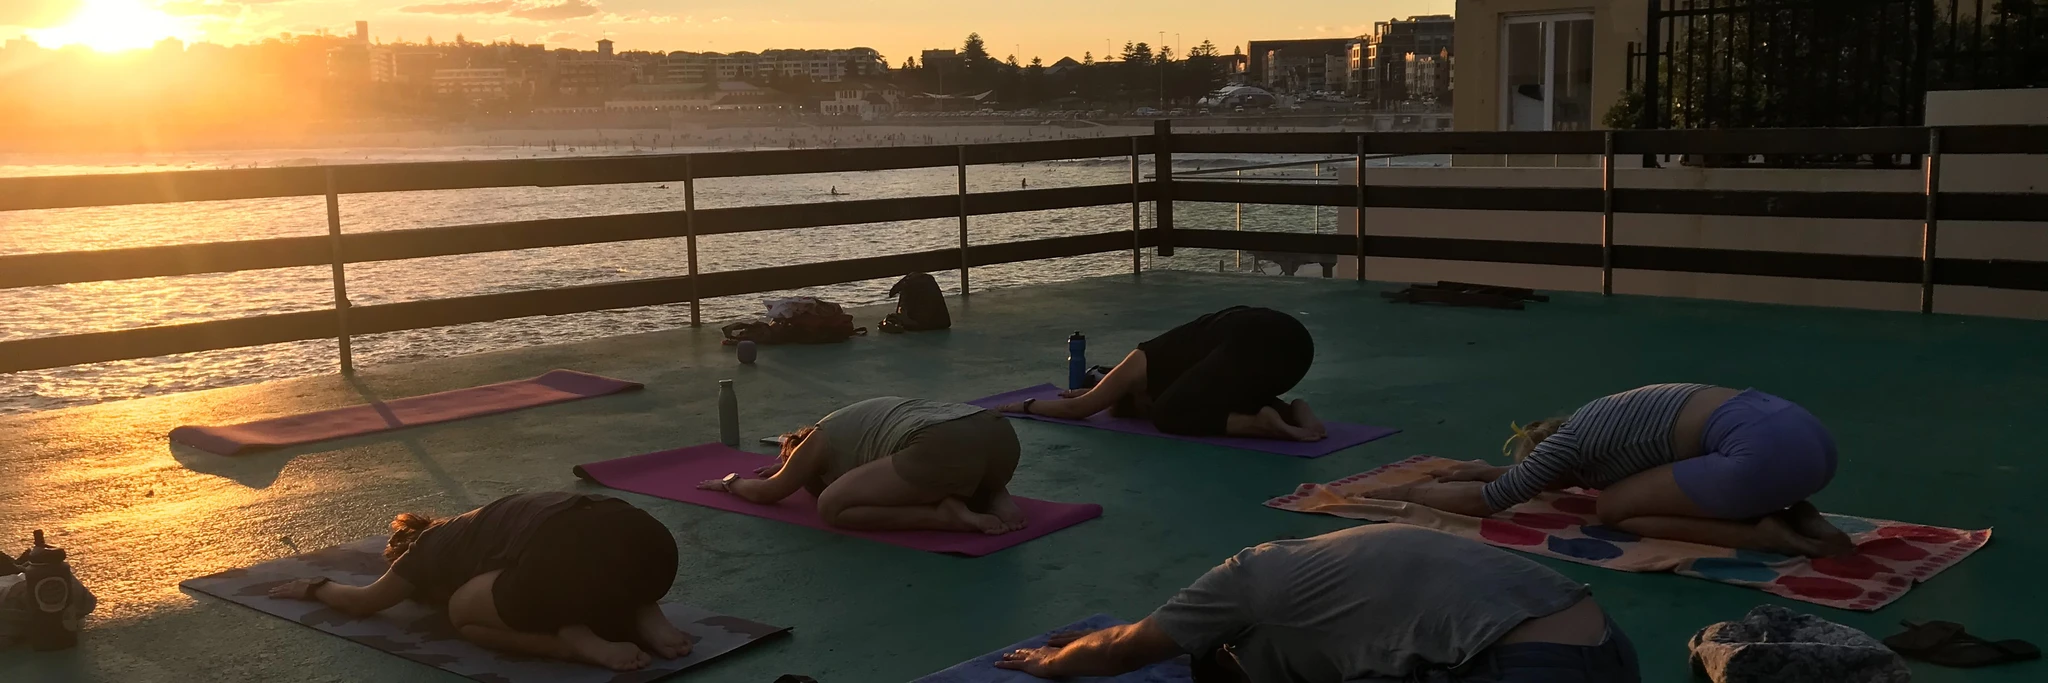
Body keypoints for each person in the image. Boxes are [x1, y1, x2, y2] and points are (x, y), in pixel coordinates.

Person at [996, 525, 1639, 682]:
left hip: (1524, 668)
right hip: (1614, 648)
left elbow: (1124, 647)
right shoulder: (1326, 561)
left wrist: (1052, 663)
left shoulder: (1243, 581)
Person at [1356, 384, 1853, 558]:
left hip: (1760, 458)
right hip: (1807, 442)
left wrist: (1406, 491)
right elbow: (1511, 479)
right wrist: (1482, 470)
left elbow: (1490, 501)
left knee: (1613, 508)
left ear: (1548, 453)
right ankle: (1795, 513)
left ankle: (1766, 534)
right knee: (1646, 491)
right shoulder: (1602, 418)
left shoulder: (1570, 443)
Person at [267, 492, 686, 671]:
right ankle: (645, 612)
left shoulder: (430, 546)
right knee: (591, 564)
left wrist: (315, 586)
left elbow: (364, 602)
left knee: (463, 613)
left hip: (560, 557)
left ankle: (573, 642)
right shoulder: (486, 521)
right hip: (650, 544)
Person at [699, 396, 1027, 535]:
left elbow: (771, 491)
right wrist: (789, 465)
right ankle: (994, 493)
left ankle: (943, 516)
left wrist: (731, 483)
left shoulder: (818, 436)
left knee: (830, 507)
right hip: (997, 434)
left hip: (940, 444)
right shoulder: (855, 422)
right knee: (944, 470)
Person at [994, 306, 1323, 441]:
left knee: (1168, 413)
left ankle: (1261, 424)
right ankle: (1294, 412)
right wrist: (1096, 393)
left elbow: (1079, 409)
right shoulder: (1187, 373)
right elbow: (1099, 398)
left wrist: (1025, 405)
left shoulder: (1140, 360)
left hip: (1257, 341)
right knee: (1209, 399)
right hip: (1295, 348)